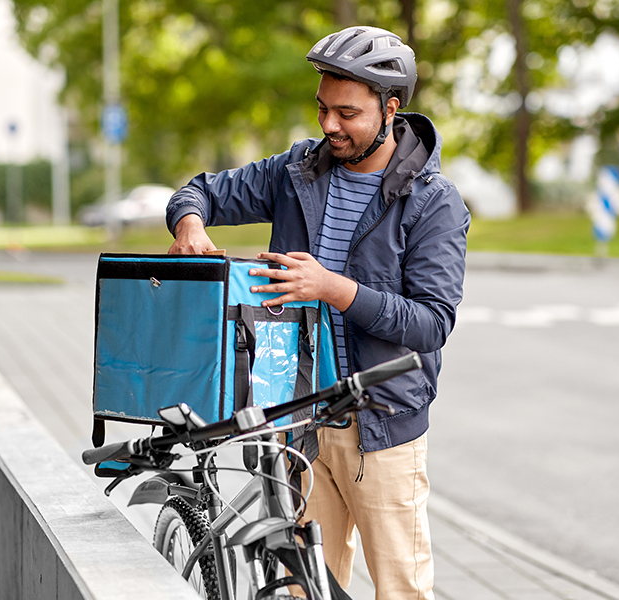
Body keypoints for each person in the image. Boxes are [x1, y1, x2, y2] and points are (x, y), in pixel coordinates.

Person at [166, 26, 470, 600]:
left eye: (347, 113)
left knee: (399, 590)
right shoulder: (297, 171)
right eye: (323, 109)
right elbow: (199, 191)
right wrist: (189, 223)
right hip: (297, 417)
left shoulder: (434, 203)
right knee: (301, 588)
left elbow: (432, 323)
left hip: (379, 426)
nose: (329, 126)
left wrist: (333, 288)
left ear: (391, 108)